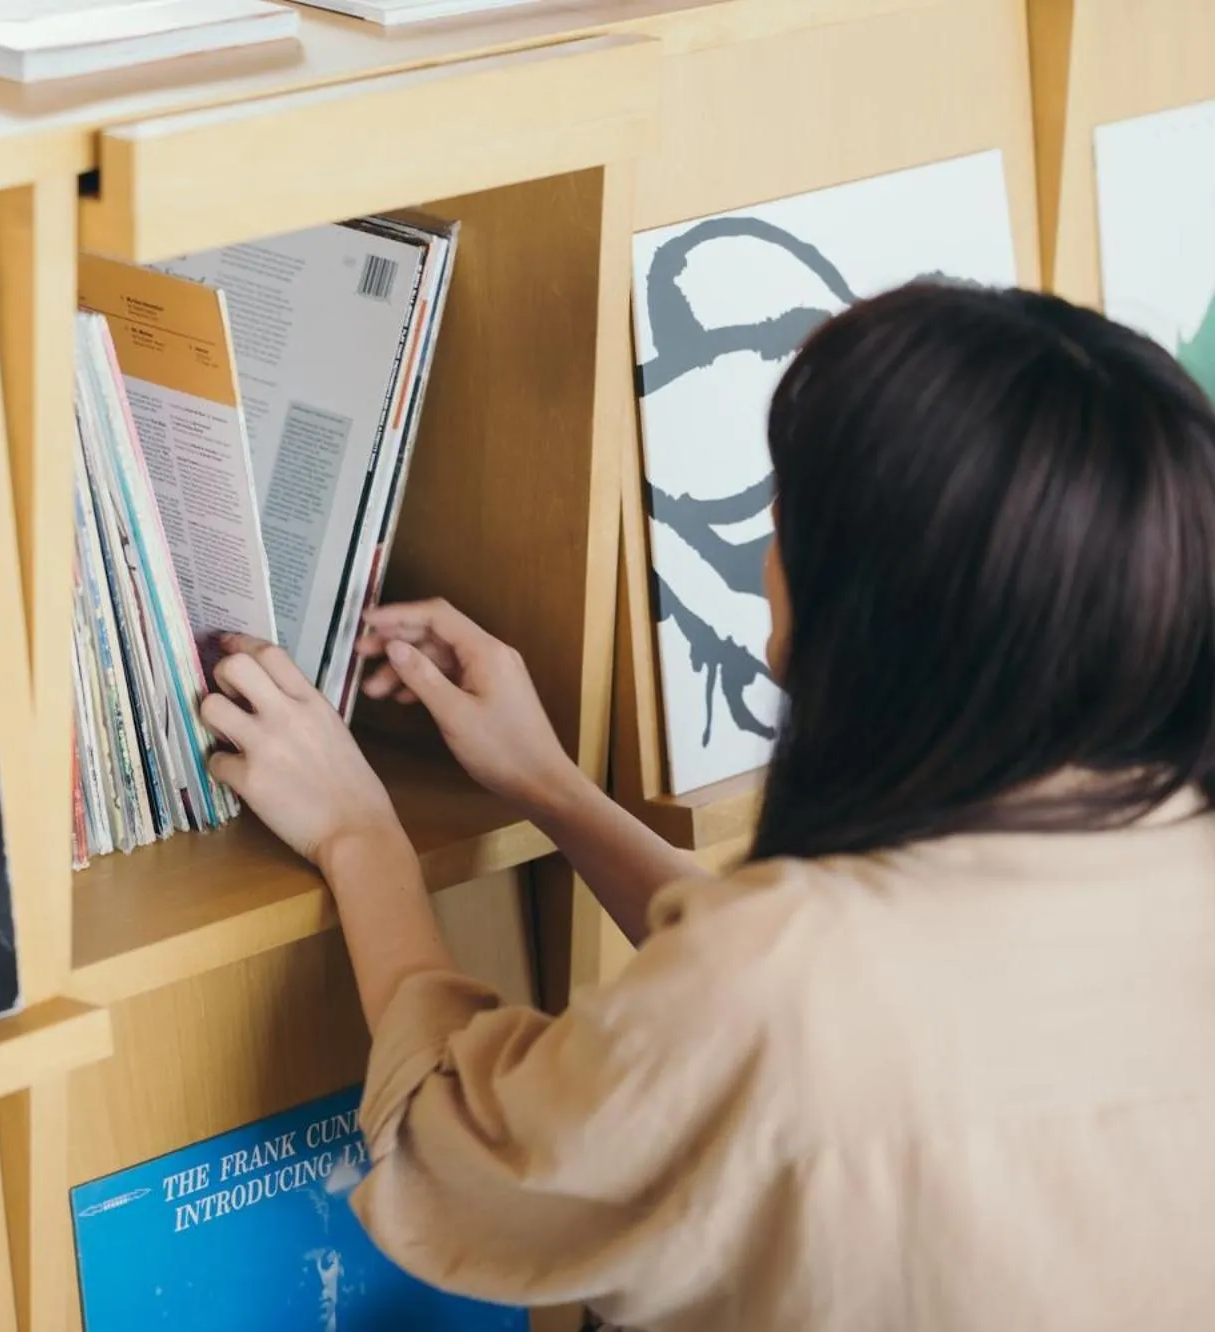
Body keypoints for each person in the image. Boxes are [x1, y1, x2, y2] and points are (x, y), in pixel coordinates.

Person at [197, 283, 1215, 1332]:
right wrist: (550, 787)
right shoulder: (1167, 859)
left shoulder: (784, 987)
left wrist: (358, 831)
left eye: (781, 520)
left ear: (864, 610)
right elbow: (814, 1019)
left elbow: (454, 1149)